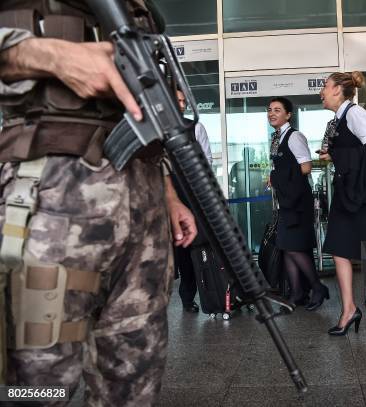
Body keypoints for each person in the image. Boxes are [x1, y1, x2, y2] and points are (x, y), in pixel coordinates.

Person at [0, 3, 197, 405]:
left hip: (144, 205)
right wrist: (50, 55)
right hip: (50, 199)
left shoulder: (141, 9)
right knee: (36, 386)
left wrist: (169, 195)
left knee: (133, 382)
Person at [318, 71, 366, 334]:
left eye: (325, 87)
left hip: (363, 194)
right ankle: (349, 309)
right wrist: (332, 155)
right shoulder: (336, 120)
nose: (321, 92)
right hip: (346, 192)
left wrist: (335, 154)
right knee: (339, 249)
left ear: (338, 89)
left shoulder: (355, 113)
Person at [267, 97, 329, 309]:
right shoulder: (276, 138)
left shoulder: (294, 137)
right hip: (287, 202)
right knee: (286, 247)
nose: (271, 113)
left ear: (288, 115)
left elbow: (306, 167)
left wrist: (274, 177)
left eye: (277, 110)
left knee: (294, 248)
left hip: (298, 201)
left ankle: (317, 287)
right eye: (269, 110)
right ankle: (297, 293)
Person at [173, 89, 213, 313]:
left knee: (188, 247)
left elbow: (205, 161)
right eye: (176, 100)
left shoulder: (195, 127)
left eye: (183, 101)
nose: (180, 104)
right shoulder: (157, 129)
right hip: (162, 196)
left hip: (188, 196)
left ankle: (189, 296)